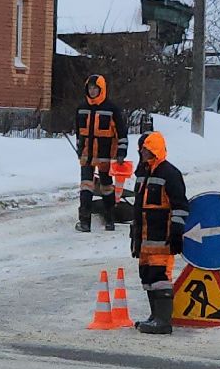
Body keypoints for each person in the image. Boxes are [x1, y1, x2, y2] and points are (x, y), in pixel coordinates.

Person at [129, 131, 188, 335]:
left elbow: (180, 206)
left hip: (162, 238)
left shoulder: (169, 173)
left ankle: (163, 321)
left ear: (154, 150)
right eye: (142, 150)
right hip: (145, 240)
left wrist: (177, 232)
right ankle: (155, 316)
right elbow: (139, 208)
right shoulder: (143, 174)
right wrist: (136, 239)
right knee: (147, 276)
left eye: (146, 150)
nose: (143, 153)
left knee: (160, 276)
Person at [74, 74, 126, 233]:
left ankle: (110, 219)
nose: (92, 91)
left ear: (101, 89)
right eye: (90, 88)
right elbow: (78, 132)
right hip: (86, 155)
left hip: (105, 155)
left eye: (95, 88)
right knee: (86, 187)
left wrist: (121, 152)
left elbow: (121, 132)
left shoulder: (111, 109)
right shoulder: (81, 108)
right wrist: (79, 149)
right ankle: (84, 221)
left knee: (106, 187)